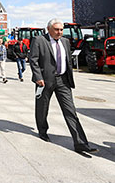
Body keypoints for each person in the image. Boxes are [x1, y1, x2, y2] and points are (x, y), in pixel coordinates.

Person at [29, 18, 97, 153]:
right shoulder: (39, 40)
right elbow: (33, 60)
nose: (60, 32)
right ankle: (42, 131)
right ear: (48, 29)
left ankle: (81, 143)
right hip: (45, 81)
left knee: (70, 111)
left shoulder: (65, 41)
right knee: (42, 108)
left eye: (61, 30)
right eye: (56, 29)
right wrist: (38, 77)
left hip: (63, 81)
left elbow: (68, 61)